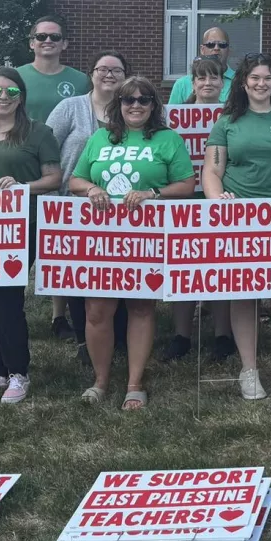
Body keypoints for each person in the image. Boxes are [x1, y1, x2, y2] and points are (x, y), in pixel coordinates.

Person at [68, 77, 197, 410]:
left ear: (154, 105)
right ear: (118, 104)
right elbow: (76, 179)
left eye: (143, 100)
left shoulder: (168, 139)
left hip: (147, 237)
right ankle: (99, 381)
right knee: (97, 310)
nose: (135, 105)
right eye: (128, 100)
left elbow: (186, 184)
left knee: (141, 307)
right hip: (102, 239)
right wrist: (91, 189)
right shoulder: (100, 137)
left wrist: (153, 194)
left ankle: (135, 383)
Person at [203, 53, 271, 399]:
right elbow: (211, 170)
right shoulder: (227, 121)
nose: (261, 84)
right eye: (254, 78)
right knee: (244, 295)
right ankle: (248, 370)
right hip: (240, 219)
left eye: (267, 78)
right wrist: (216, 201)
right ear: (243, 82)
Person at [0, 68, 62, 404]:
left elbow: (53, 179)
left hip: (20, 227)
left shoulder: (38, 132)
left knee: (5, 298)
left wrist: (23, 187)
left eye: (12, 92)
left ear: (22, 97)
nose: (3, 98)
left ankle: (19, 372)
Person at [47, 51, 136, 364]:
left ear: (125, 75)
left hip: (125, 211)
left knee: (121, 272)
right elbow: (48, 149)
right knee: (80, 274)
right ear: (92, 74)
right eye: (102, 69)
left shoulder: (134, 108)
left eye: (116, 70)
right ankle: (87, 340)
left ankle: (121, 337)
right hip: (75, 206)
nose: (109, 75)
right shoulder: (70, 108)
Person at [162, 57, 233, 363]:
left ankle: (223, 336)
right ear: (191, 83)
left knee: (220, 268)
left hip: (221, 198)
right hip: (184, 200)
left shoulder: (233, 115)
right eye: (201, 78)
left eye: (214, 78)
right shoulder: (173, 117)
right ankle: (181, 335)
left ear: (223, 82)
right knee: (183, 269)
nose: (208, 83)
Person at [16, 16, 90, 125]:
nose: (48, 40)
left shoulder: (82, 81)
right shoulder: (15, 77)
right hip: (23, 141)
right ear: (32, 43)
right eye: (41, 36)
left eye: (55, 37)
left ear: (64, 44)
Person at [169, 27, 236, 104]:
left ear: (229, 50)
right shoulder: (182, 84)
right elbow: (172, 114)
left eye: (222, 45)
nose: (216, 48)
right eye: (211, 44)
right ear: (202, 49)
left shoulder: (241, 81)